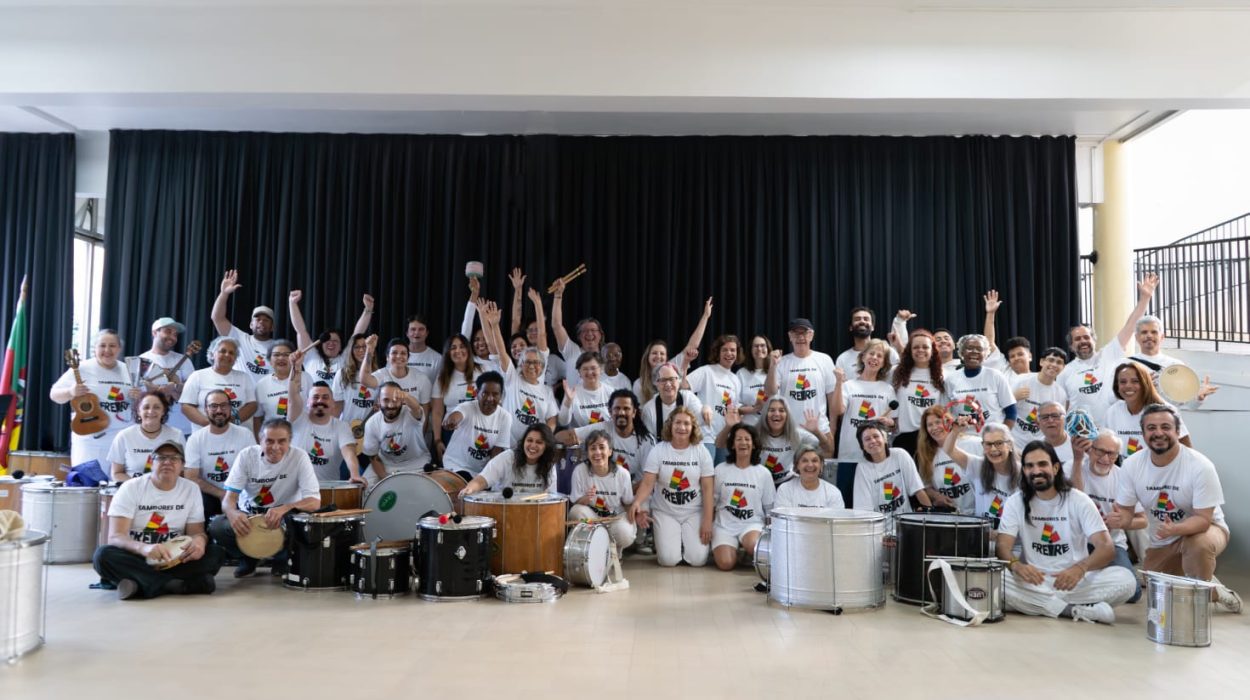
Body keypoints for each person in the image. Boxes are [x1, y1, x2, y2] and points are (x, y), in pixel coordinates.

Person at [1114, 404, 1241, 612]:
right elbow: (1126, 512)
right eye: (1151, 428)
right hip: (1164, 537)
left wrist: (1175, 529)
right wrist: (1122, 520)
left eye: (1165, 427)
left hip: (1208, 530)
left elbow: (1203, 520)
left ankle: (1199, 595)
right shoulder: (1131, 465)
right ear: (1143, 433)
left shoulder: (1200, 465)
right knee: (1155, 586)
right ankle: (1216, 590)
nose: (1158, 433)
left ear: (1177, 431)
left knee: (1197, 546)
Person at [996, 441, 1137, 624]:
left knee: (1127, 580)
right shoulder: (1015, 502)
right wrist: (1016, 566)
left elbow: (1106, 548)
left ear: (1055, 468)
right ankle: (1072, 610)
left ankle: (1037, 604)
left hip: (1075, 582)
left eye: (1042, 464)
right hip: (1034, 581)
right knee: (994, 578)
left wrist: (1080, 569)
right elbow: (1003, 545)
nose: (1036, 471)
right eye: (1029, 466)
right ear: (1024, 470)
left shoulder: (1079, 500)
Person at [92, 439, 225, 599]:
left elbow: (196, 532)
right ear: (151, 462)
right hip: (138, 556)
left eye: (174, 458)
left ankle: (140, 583)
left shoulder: (191, 489)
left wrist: (199, 542)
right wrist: (143, 548)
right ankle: (174, 585)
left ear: (182, 465)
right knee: (102, 556)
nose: (167, 462)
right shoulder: (131, 487)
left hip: (175, 559)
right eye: (161, 457)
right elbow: (116, 536)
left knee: (216, 554)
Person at [208, 419, 321, 578]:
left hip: (283, 519)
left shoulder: (299, 457)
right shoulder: (246, 455)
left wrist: (285, 508)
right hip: (249, 519)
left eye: (282, 441)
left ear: (290, 441)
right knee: (217, 526)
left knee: (300, 522)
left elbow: (314, 502)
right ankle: (248, 558)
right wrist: (233, 514)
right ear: (260, 440)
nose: (275, 447)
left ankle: (282, 559)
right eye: (269, 441)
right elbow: (228, 500)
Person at [1058, 273, 1158, 425]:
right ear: (1071, 346)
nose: (1083, 341)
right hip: (1081, 433)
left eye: (1086, 337)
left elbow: (1130, 326)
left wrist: (1144, 298)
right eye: (1077, 339)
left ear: (1094, 340)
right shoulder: (1065, 373)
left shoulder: (1109, 353)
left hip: (1113, 428)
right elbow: (1061, 407)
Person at [629, 407, 715, 567]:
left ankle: (684, 541)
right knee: (668, 560)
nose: (682, 427)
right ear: (670, 425)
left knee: (698, 560)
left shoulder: (701, 451)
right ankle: (672, 542)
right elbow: (647, 483)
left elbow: (708, 490)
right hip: (665, 511)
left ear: (693, 427)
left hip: (694, 511)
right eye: (678, 423)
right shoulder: (659, 450)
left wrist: (707, 521)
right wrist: (637, 503)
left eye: (686, 424)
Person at [1070, 430, 1145, 603]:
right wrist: (1077, 461)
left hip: (1111, 543)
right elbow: (1074, 499)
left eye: (1111, 454)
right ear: (1090, 449)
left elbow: (1143, 521)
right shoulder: (1073, 466)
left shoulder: (1124, 478)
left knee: (1133, 593)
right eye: (1100, 451)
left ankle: (1088, 584)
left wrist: (1122, 522)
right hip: (1078, 541)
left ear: (1118, 455)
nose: (1105, 458)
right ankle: (1095, 581)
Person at [49, 329, 136, 467]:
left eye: (112, 346)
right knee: (89, 479)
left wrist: (139, 396)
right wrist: (71, 391)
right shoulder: (81, 368)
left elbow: (144, 403)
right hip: (90, 441)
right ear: (95, 348)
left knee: (120, 479)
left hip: (122, 438)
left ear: (119, 349)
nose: (107, 350)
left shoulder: (129, 370)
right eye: (102, 345)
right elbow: (54, 395)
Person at [480, 296, 558, 446]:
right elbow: (498, 349)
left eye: (535, 363)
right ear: (521, 364)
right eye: (527, 362)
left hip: (535, 448)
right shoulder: (512, 376)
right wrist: (494, 325)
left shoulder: (546, 389)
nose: (531, 366)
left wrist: (545, 438)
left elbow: (552, 418)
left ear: (542, 367)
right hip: (509, 446)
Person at [831, 338, 896, 503]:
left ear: (884, 363)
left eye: (880, 356)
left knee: (874, 503)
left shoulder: (887, 389)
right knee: (846, 502)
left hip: (877, 456)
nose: (874, 358)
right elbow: (838, 410)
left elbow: (894, 424)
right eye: (871, 353)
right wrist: (838, 383)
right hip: (849, 455)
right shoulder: (848, 386)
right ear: (863, 357)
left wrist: (890, 423)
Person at [720, 398, 830, 485]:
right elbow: (720, 444)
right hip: (759, 482)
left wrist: (817, 432)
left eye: (781, 410)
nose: (776, 414)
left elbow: (828, 450)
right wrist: (728, 427)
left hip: (787, 483)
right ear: (765, 414)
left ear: (787, 415)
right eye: (772, 410)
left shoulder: (797, 434)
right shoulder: (754, 432)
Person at [711, 423, 775, 571]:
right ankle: (735, 552)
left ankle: (749, 551)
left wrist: (771, 534)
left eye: (747, 439)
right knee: (726, 564)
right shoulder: (720, 469)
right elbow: (712, 502)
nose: (743, 443)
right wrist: (708, 525)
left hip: (751, 524)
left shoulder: (763, 473)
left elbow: (769, 508)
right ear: (732, 444)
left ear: (754, 444)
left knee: (753, 545)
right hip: (724, 526)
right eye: (738, 439)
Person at [287, 363, 365, 484]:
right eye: (315, 397)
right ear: (307, 402)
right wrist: (296, 367)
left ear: (333, 403)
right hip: (296, 487)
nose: (320, 400)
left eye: (325, 397)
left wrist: (355, 474)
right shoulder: (297, 418)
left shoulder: (341, 426)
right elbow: (293, 394)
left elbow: (349, 452)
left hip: (328, 489)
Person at [185, 390, 256, 519]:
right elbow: (191, 477)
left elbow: (254, 470)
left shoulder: (245, 434)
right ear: (206, 409)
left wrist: (233, 494)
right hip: (210, 495)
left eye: (223, 405)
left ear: (230, 408)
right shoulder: (195, 439)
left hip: (240, 493)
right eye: (213, 406)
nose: (219, 410)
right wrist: (222, 494)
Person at [557, 389, 655, 484]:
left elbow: (648, 480)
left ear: (634, 412)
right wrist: (572, 440)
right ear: (610, 412)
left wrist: (625, 492)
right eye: (617, 408)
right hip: (602, 487)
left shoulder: (646, 441)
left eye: (626, 408)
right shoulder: (604, 427)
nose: (621, 412)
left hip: (634, 490)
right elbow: (559, 436)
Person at [943, 419, 1020, 531]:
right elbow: (949, 450)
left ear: (1010, 445)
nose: (993, 449)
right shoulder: (977, 466)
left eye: (999, 443)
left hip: (1011, 539)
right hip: (983, 537)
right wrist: (955, 431)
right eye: (988, 444)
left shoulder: (1023, 473)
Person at [630, 298, 714, 400]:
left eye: (662, 354)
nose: (658, 356)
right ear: (647, 357)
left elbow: (691, 347)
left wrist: (705, 316)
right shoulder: (639, 384)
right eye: (654, 353)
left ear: (666, 358)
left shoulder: (672, 367)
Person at [568, 429, 637, 552]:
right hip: (592, 520)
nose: (597, 452)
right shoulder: (579, 471)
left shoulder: (622, 474)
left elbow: (628, 503)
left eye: (601, 447)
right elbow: (576, 503)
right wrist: (586, 499)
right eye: (593, 448)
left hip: (615, 519)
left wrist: (637, 513)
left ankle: (614, 551)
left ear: (610, 451)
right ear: (587, 453)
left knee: (625, 532)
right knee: (576, 512)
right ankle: (593, 549)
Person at [1104, 361, 1191, 460]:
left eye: (1135, 381)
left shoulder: (1166, 411)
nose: (1128, 385)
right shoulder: (1112, 412)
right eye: (1123, 382)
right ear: (1117, 386)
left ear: (1145, 383)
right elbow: (1107, 447)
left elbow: (1187, 450)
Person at [765, 318, 837, 435]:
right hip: (790, 430)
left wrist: (832, 428)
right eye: (796, 333)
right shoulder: (781, 362)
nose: (800, 337)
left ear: (811, 335)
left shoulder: (824, 359)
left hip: (820, 429)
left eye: (804, 332)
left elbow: (832, 397)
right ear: (790, 336)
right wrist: (772, 366)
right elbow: (770, 393)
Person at [943, 334, 1016, 446]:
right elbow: (946, 413)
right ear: (961, 352)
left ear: (985, 354)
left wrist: (1001, 438)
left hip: (992, 442)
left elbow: (1011, 413)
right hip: (963, 441)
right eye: (969, 348)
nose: (974, 352)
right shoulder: (951, 379)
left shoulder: (996, 376)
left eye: (979, 349)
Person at [287, 289, 374, 382]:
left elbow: (357, 333)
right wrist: (292, 303)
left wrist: (368, 309)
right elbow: (301, 331)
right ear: (321, 344)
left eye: (335, 341)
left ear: (341, 347)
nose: (331, 343)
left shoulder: (345, 358)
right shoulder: (311, 357)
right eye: (327, 340)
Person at [1127, 315, 1217, 403]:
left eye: (1154, 332)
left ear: (1162, 337)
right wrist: (1140, 388)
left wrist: (1198, 397)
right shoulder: (1126, 364)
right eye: (1144, 332)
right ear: (1136, 337)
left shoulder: (1176, 364)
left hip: (1168, 413)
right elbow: (1117, 399)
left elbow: (1184, 403)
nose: (1149, 335)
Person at [852, 421, 930, 522]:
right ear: (862, 446)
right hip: (880, 528)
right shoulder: (862, 468)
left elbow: (918, 490)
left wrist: (930, 517)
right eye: (867, 439)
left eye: (876, 436)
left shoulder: (900, 455)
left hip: (906, 524)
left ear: (884, 438)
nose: (873, 441)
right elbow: (864, 511)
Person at [129, 317, 195, 436]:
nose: (172, 337)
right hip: (151, 427)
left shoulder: (184, 360)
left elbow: (193, 391)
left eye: (175, 334)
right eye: (168, 331)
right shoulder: (140, 361)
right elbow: (136, 396)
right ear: (155, 332)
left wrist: (175, 387)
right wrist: (153, 390)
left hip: (183, 429)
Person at [441, 371, 512, 478]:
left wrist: (490, 476)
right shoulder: (467, 407)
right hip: (456, 466)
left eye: (495, 394)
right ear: (477, 393)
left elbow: (497, 452)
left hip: (480, 473)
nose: (490, 398)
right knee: (464, 477)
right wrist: (451, 421)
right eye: (485, 393)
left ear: (501, 395)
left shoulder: (505, 417)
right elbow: (457, 415)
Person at [459, 424, 560, 496]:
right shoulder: (507, 457)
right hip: (502, 510)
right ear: (523, 442)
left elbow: (550, 497)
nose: (533, 445)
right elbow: (482, 480)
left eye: (539, 442)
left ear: (547, 446)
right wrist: (470, 489)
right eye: (529, 440)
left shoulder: (549, 466)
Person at [210, 269, 276, 378]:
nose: (261, 322)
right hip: (238, 388)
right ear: (251, 325)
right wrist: (224, 294)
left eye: (266, 320)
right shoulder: (240, 338)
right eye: (258, 319)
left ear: (272, 327)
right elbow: (217, 318)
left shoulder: (278, 349)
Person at [686, 334, 743, 460]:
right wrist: (686, 361)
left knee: (721, 473)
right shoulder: (706, 371)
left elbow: (733, 407)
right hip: (705, 436)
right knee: (706, 472)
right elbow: (683, 387)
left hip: (725, 437)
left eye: (733, 350)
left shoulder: (735, 379)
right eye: (725, 350)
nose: (729, 353)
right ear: (718, 353)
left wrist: (754, 408)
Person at [107, 392, 185, 482]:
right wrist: (138, 486)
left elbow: (183, 472)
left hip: (167, 487)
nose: (151, 411)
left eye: (156, 407)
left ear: (163, 411)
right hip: (133, 488)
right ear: (138, 411)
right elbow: (116, 473)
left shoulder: (177, 435)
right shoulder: (124, 436)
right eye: (146, 407)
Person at [362, 382, 431, 483]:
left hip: (417, 463)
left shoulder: (411, 413)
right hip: (386, 464)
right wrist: (386, 479)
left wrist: (406, 396)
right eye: (386, 400)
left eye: (395, 400)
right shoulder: (371, 423)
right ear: (379, 401)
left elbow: (416, 408)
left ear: (402, 401)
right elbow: (373, 457)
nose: (391, 405)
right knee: (365, 487)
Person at [891, 330, 946, 456]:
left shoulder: (943, 374)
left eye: (925, 347)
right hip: (903, 438)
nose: (920, 350)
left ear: (933, 350)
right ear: (909, 351)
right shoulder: (896, 372)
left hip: (932, 437)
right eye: (916, 347)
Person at [180, 337, 257, 427]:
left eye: (231, 353)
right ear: (212, 354)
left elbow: (252, 405)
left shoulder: (244, 377)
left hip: (238, 432)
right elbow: (186, 406)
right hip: (206, 432)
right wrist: (210, 425)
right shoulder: (197, 376)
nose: (227, 355)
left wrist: (231, 423)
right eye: (223, 351)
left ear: (236, 358)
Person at [431, 333, 483, 455]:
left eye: (462, 346)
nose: (458, 351)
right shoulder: (442, 378)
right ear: (448, 353)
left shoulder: (481, 370)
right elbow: (437, 412)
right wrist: (437, 440)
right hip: (451, 432)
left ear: (468, 349)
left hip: (478, 430)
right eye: (453, 348)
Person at [549, 276, 607, 385]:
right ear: (579, 336)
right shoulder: (572, 351)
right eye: (585, 331)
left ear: (600, 334)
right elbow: (556, 325)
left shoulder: (607, 356)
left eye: (593, 330)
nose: (589, 333)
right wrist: (558, 295)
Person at [1009, 347, 1069, 451]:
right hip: (1014, 443)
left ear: (1063, 368)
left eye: (1059, 362)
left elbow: (1058, 423)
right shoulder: (1021, 380)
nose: (1054, 364)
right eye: (1051, 360)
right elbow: (1000, 407)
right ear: (1041, 362)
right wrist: (1013, 397)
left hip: (1039, 446)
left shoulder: (1060, 393)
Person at [361, 336, 433, 418]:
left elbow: (425, 411)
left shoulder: (421, 378)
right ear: (387, 357)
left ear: (408, 358)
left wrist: (421, 427)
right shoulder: (382, 374)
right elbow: (365, 380)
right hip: (385, 423)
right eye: (394, 353)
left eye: (403, 353)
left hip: (411, 424)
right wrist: (369, 350)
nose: (398, 356)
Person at [915, 406, 969, 512]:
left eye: (938, 422)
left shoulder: (969, 444)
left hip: (976, 514)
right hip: (949, 515)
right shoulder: (925, 454)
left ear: (948, 422)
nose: (935, 428)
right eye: (930, 425)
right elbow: (926, 486)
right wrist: (936, 496)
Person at [640, 362, 710, 438]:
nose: (668, 384)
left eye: (672, 379)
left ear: (679, 381)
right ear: (656, 383)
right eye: (663, 380)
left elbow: (702, 423)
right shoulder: (649, 409)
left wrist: (705, 408)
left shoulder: (688, 398)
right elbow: (649, 440)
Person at [252, 339, 305, 431]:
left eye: (286, 355)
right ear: (269, 360)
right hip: (273, 435)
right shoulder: (261, 385)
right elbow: (258, 418)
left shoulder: (305, 378)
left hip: (302, 434)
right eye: (276, 355)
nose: (281, 358)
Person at [834, 307, 901, 377]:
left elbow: (904, 372)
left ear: (872, 327)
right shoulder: (842, 359)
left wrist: (899, 347)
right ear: (850, 327)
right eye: (857, 319)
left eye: (866, 319)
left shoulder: (888, 351)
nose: (862, 321)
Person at [774, 445, 845, 509]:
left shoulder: (833, 492)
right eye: (805, 461)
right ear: (797, 465)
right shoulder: (785, 490)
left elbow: (837, 519)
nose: (810, 465)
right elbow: (782, 519)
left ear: (821, 465)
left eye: (814, 460)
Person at [333, 333, 376, 435]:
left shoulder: (379, 374)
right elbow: (337, 408)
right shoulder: (342, 374)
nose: (361, 350)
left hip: (371, 432)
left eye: (365, 346)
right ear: (351, 350)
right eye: (357, 347)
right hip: (347, 430)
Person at [559, 352, 615, 429]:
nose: (589, 372)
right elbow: (563, 422)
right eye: (585, 369)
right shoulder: (572, 393)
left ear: (601, 369)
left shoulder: (611, 392)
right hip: (581, 436)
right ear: (579, 372)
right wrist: (568, 401)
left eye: (593, 368)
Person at [736, 335, 773, 428]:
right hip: (749, 427)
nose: (759, 349)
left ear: (768, 349)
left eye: (762, 345)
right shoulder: (741, 373)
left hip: (771, 426)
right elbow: (735, 405)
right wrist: (754, 409)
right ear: (750, 350)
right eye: (756, 346)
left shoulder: (775, 370)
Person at [1035, 401, 1076, 478]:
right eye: (1045, 417)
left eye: (1055, 416)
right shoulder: (1034, 449)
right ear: (1038, 423)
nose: (1050, 420)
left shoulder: (1077, 446)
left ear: (1065, 419)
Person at [404, 314, 443, 383]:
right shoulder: (396, 356)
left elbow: (441, 385)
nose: (417, 332)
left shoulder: (437, 358)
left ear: (427, 333)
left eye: (421, 329)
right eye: (413, 329)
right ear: (407, 333)